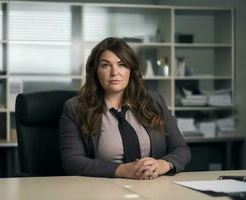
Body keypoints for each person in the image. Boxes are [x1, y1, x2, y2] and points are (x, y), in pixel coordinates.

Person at [59, 37, 191, 179]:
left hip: (155, 186)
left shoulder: (154, 101)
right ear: (95, 71)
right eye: (105, 65)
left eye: (121, 64)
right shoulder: (76, 108)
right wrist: (122, 170)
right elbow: (72, 161)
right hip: (103, 190)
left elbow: (181, 149)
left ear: (130, 69)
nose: (114, 72)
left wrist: (162, 165)